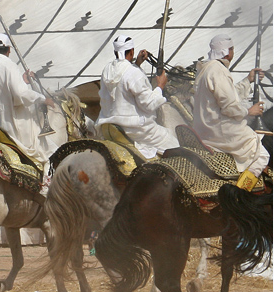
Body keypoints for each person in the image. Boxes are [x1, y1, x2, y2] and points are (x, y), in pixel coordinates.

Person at [0, 33, 54, 193]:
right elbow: (20, 95)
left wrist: (20, 80)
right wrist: (41, 98)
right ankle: (45, 187)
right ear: (8, 50)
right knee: (45, 151)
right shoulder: (9, 65)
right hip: (6, 124)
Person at [192, 33, 267, 191]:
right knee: (262, 154)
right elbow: (230, 107)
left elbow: (229, 96)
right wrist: (249, 111)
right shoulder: (218, 71)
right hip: (220, 131)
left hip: (205, 130)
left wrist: (248, 80)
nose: (233, 52)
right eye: (232, 49)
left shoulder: (206, 68)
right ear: (227, 51)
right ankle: (242, 193)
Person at [96, 33, 178, 159]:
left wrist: (137, 63)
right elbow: (149, 105)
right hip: (135, 130)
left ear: (115, 51)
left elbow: (123, 78)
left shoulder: (107, 69)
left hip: (109, 126)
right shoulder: (134, 73)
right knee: (173, 145)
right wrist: (160, 86)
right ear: (132, 51)